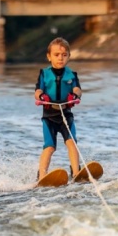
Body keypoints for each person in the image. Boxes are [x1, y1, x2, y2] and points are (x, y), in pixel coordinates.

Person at [34, 37, 82, 180]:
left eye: (64, 55)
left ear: (68, 56)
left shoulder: (72, 75)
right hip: (49, 118)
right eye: (56, 55)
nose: (60, 58)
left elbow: (78, 89)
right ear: (49, 57)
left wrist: (74, 95)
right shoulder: (44, 74)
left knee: (71, 142)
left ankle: (76, 172)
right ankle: (42, 175)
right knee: (49, 147)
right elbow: (37, 92)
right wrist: (42, 97)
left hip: (66, 116)